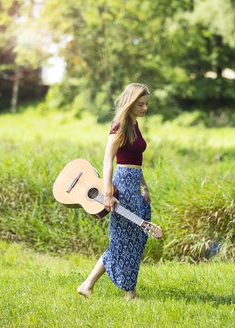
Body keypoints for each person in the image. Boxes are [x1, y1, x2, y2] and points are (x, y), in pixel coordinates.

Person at [77, 83, 152, 300]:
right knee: (124, 238)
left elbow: (136, 161)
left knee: (133, 237)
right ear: (130, 103)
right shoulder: (119, 125)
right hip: (121, 185)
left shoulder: (134, 124)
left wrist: (144, 185)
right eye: (141, 104)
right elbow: (108, 160)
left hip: (134, 183)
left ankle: (89, 285)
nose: (145, 108)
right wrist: (108, 193)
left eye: (146, 104)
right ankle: (128, 293)